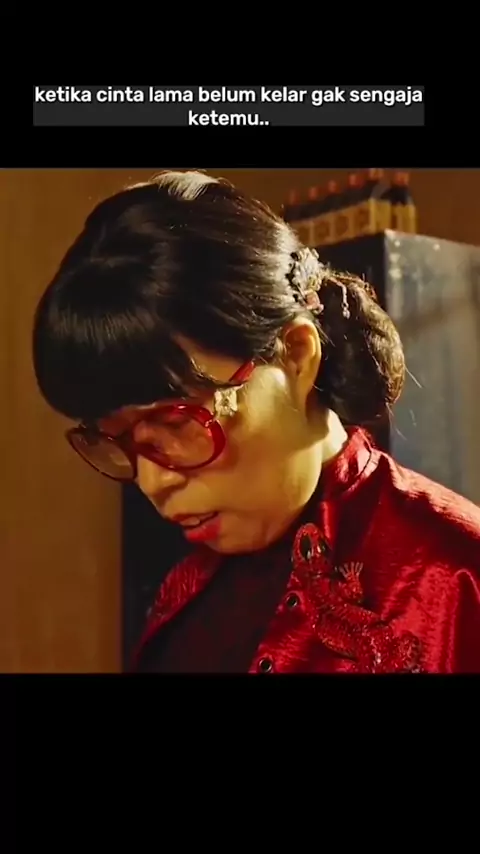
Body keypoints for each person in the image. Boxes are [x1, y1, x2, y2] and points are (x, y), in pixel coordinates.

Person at [32, 170, 480, 674]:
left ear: (296, 355)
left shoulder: (458, 575)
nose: (153, 482)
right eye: (120, 441)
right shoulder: (188, 588)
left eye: (177, 425)